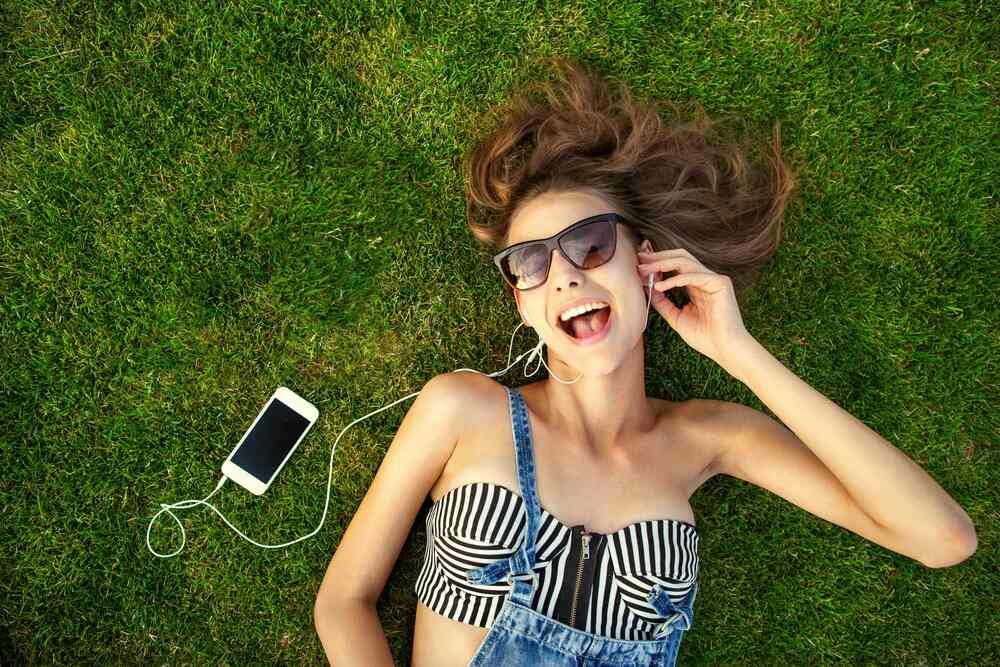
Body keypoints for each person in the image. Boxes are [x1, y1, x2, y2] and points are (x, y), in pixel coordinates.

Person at [312, 58, 977, 666]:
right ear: (522, 302)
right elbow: (344, 601)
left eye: (591, 245)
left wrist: (739, 353)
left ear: (646, 262)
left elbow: (941, 538)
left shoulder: (710, 436)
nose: (565, 276)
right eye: (532, 262)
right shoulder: (462, 409)